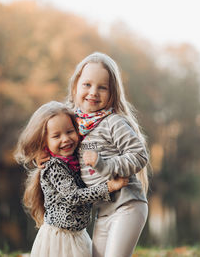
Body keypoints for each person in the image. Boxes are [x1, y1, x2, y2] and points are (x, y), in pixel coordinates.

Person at [14, 101, 129, 257]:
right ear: (44, 142)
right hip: (60, 239)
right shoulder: (54, 166)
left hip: (77, 234)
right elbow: (74, 196)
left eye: (70, 131)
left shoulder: (76, 157)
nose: (66, 139)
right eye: (56, 136)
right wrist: (109, 187)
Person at [68, 52, 150, 257]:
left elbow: (140, 155)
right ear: (76, 85)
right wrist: (46, 156)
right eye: (87, 84)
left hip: (127, 206)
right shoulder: (72, 125)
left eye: (102, 87)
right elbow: (53, 140)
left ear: (112, 93)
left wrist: (104, 164)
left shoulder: (113, 122)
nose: (93, 92)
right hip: (102, 212)